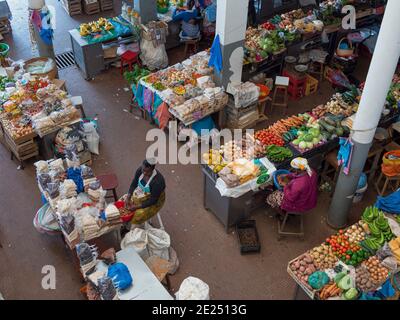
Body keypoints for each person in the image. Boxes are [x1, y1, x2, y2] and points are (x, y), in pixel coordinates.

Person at [125, 158, 166, 225]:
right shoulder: (140, 170)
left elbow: (153, 200)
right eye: (143, 170)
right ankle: (127, 224)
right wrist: (128, 197)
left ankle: (133, 227)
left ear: (153, 170)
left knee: (137, 215)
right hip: (143, 193)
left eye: (147, 172)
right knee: (125, 202)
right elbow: (134, 183)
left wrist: (136, 207)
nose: (144, 173)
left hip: (155, 201)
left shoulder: (157, 181)